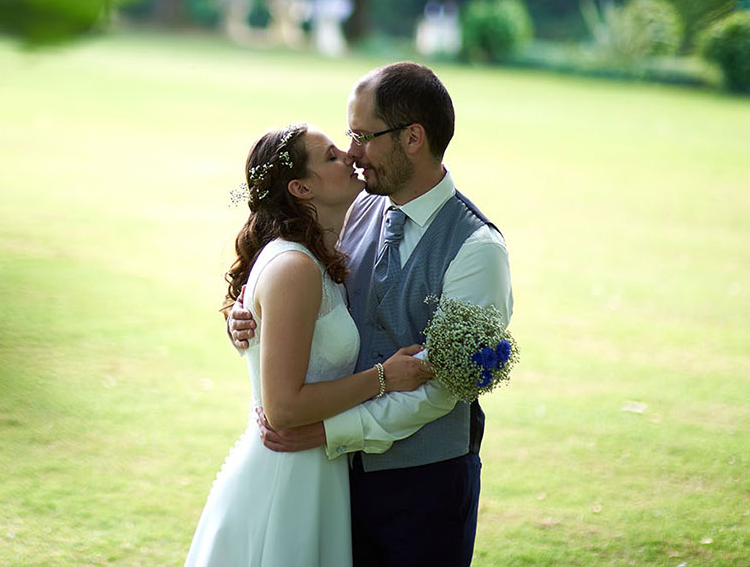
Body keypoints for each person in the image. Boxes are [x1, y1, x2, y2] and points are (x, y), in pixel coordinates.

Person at [228, 62, 513, 567]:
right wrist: (247, 315)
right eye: (347, 138)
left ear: (412, 138)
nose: (352, 153)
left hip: (422, 490)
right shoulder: (353, 209)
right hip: (331, 481)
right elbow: (297, 292)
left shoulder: (477, 248)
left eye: (363, 136)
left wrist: (326, 433)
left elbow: (442, 390)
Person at [185, 123, 433, 567]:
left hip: (318, 472)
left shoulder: (317, 255)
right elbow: (283, 409)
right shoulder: (295, 266)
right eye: (332, 156)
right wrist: (382, 379)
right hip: (286, 477)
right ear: (301, 187)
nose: (351, 157)